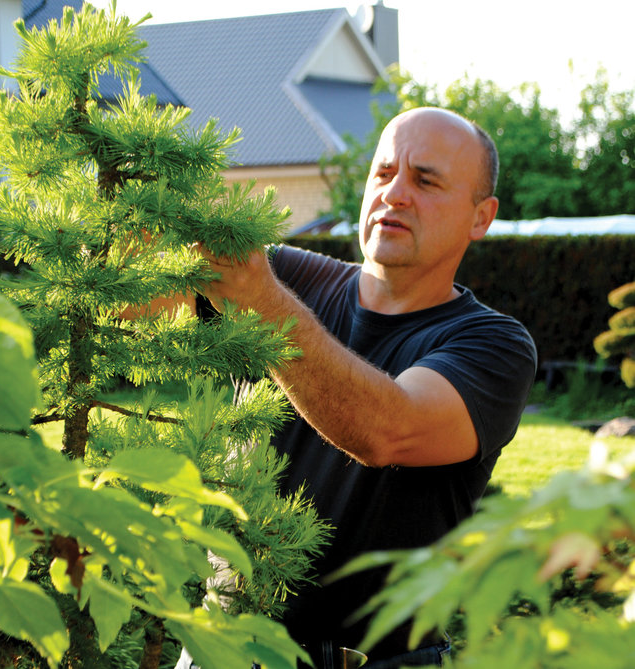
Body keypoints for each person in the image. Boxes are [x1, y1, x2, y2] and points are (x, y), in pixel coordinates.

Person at [183, 107, 537, 668]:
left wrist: (263, 303)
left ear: (481, 216)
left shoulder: (493, 345)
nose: (396, 193)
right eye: (384, 172)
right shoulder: (282, 274)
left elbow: (387, 430)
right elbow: (134, 300)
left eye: (425, 180)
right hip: (221, 649)